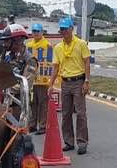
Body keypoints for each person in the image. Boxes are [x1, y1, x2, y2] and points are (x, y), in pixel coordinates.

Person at [48, 17, 91, 155]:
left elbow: (87, 63)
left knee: (80, 113)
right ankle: (68, 142)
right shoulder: (58, 48)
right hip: (65, 82)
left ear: (72, 29)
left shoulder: (81, 44)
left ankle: (82, 142)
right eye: (61, 29)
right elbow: (55, 67)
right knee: (66, 114)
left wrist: (87, 81)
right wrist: (51, 84)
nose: (63, 31)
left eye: (65, 29)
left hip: (78, 81)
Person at [25, 23, 52, 134]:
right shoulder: (28, 46)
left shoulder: (47, 45)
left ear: (42, 32)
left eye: (38, 31)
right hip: (31, 79)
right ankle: (32, 125)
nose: (36, 33)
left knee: (42, 103)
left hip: (42, 79)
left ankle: (42, 125)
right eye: (34, 31)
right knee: (32, 103)